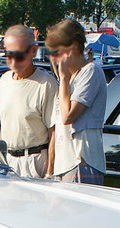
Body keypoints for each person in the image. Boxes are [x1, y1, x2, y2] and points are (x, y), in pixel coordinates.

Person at [47, 19, 107, 185]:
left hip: (82, 162)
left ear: (72, 47)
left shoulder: (91, 72)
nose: (53, 57)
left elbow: (68, 117)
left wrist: (64, 78)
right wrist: (50, 169)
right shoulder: (68, 80)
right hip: (65, 164)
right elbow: (57, 128)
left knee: (80, 211)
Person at [0, 24, 57, 179]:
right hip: (7, 163)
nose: (13, 61)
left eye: (19, 55)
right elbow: (4, 126)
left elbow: (54, 133)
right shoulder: (4, 81)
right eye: (8, 55)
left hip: (35, 164)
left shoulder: (46, 84)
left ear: (33, 51)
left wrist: (49, 172)